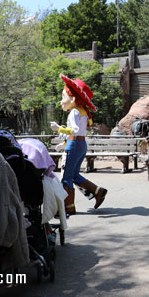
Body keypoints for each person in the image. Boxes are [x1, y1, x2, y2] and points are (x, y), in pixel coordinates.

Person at [50, 74, 107, 215]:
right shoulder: (83, 112)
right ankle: (98, 192)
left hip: (75, 144)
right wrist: (63, 143)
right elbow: (78, 132)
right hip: (80, 145)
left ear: (73, 99)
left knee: (66, 177)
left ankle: (67, 207)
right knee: (74, 175)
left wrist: (59, 129)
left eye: (64, 97)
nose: (61, 101)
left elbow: (74, 131)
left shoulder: (74, 112)